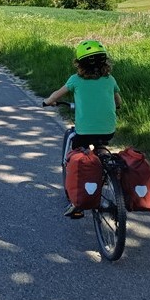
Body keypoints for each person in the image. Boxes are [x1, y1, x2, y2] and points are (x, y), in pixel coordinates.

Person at [42, 39, 122, 218]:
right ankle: (110, 178)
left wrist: (48, 101)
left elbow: (57, 94)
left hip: (84, 131)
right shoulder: (110, 79)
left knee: (76, 155)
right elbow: (119, 101)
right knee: (102, 146)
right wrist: (116, 107)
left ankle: (77, 202)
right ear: (105, 62)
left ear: (79, 64)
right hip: (108, 129)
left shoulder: (75, 80)